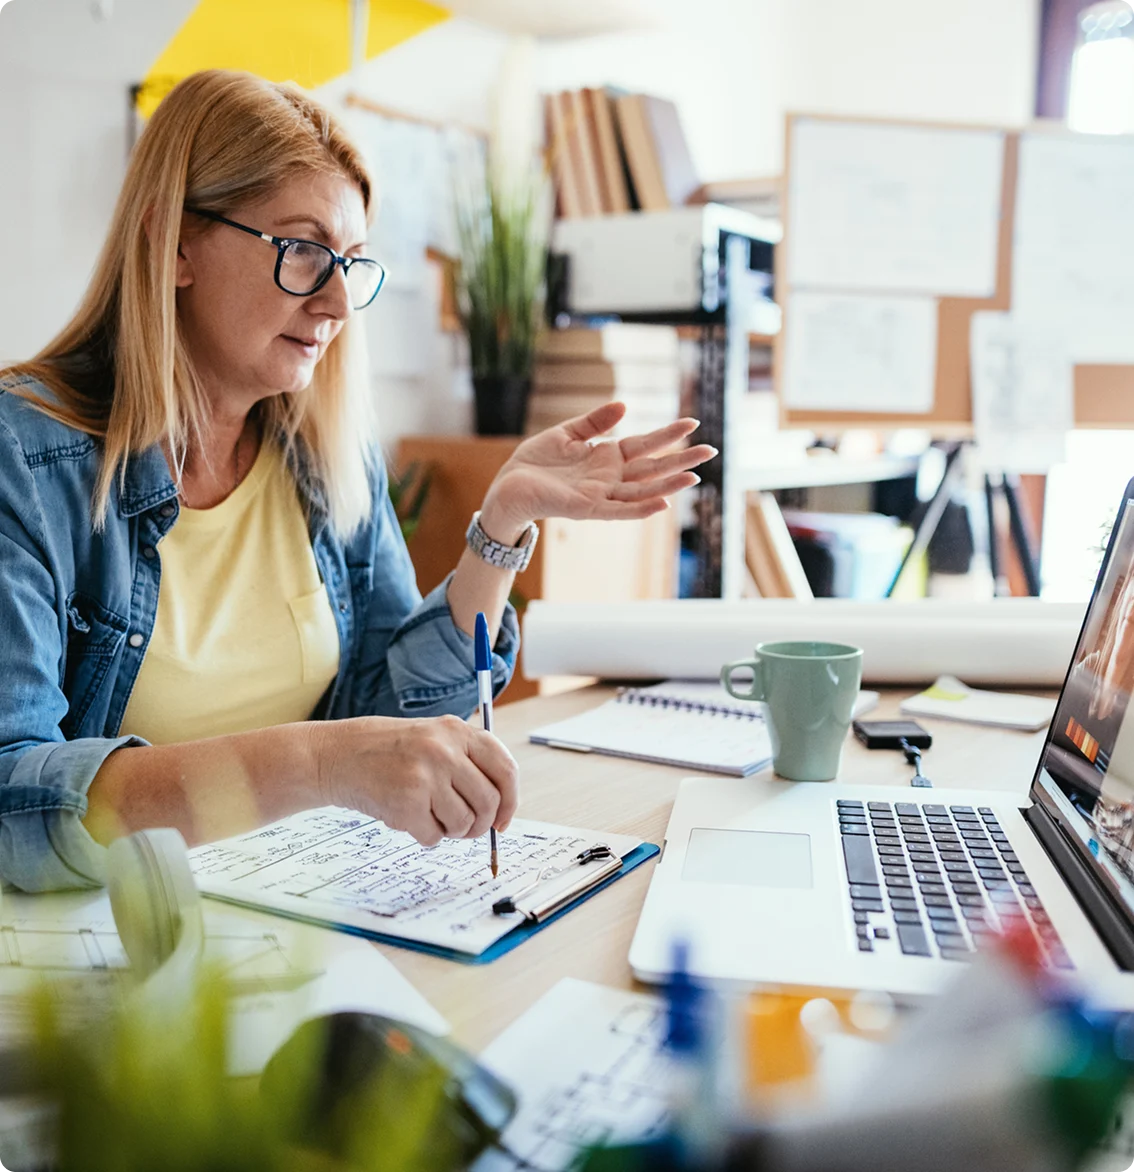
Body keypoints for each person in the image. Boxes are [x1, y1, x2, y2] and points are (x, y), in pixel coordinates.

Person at [0, 70, 714, 892]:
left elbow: (395, 719)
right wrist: (320, 760)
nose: (339, 300)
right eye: (303, 251)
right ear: (175, 244)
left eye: (352, 262)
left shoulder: (322, 454)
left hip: (292, 908)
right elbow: (16, 801)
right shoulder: (27, 455)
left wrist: (502, 526)